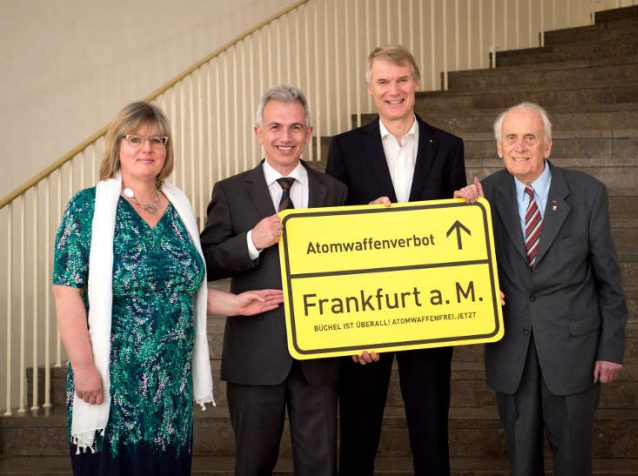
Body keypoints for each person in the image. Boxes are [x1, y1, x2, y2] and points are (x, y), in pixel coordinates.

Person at [52, 101, 283, 475]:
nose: (147, 148)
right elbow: (66, 292)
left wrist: (237, 304)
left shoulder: (177, 205)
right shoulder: (88, 208)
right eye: (135, 139)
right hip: (117, 380)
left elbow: (182, 288)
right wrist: (83, 367)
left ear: (166, 150)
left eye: (157, 140)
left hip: (170, 387)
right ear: (117, 147)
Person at [454, 102, 628, 475]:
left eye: (530, 138)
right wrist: (457, 213)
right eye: (511, 138)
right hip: (512, 352)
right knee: (521, 460)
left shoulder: (587, 193)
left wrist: (611, 348)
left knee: (573, 460)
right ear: (499, 147)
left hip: (573, 352)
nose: (520, 147)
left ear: (547, 146)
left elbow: (608, 280)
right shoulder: (481, 198)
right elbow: (457, 265)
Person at [325, 45, 466, 476]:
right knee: (358, 430)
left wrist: (467, 206)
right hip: (368, 314)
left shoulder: (448, 146)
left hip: (430, 312)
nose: (394, 90)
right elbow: (333, 230)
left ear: (416, 83)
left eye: (402, 79)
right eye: (383, 81)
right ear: (370, 89)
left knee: (430, 430)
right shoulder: (345, 148)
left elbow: (458, 232)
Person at [200, 85, 348, 476]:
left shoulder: (334, 191)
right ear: (258, 132)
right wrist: (252, 241)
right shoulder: (230, 192)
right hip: (255, 356)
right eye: (276, 127)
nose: (286, 137)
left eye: (295, 127)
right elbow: (207, 262)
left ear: (309, 132)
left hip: (320, 355)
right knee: (252, 465)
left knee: (321, 467)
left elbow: (350, 270)